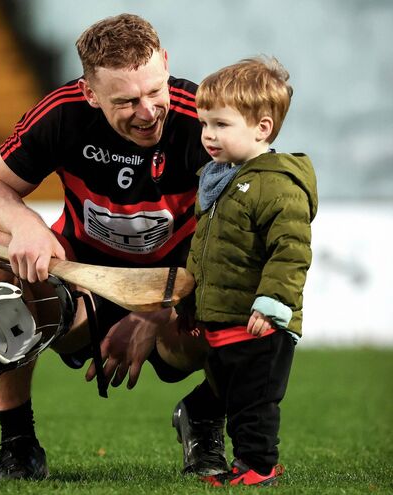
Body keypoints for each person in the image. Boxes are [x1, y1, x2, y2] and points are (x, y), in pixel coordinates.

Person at [0, 13, 227, 480]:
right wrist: (24, 224)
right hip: (80, 287)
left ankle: (205, 418)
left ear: (165, 64)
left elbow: (237, 239)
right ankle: (18, 444)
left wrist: (159, 310)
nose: (147, 111)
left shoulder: (206, 119)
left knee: (255, 280)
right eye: (126, 101)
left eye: (154, 91)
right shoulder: (63, 112)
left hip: (179, 294)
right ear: (89, 92)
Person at [179, 56, 318, 486]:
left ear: (262, 127)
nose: (208, 135)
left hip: (261, 325)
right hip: (225, 321)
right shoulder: (220, 179)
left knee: (253, 404)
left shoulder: (275, 184)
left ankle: (258, 468)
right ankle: (200, 425)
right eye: (205, 124)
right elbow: (205, 249)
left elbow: (290, 251)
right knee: (226, 396)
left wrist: (274, 302)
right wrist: (190, 302)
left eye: (221, 125)